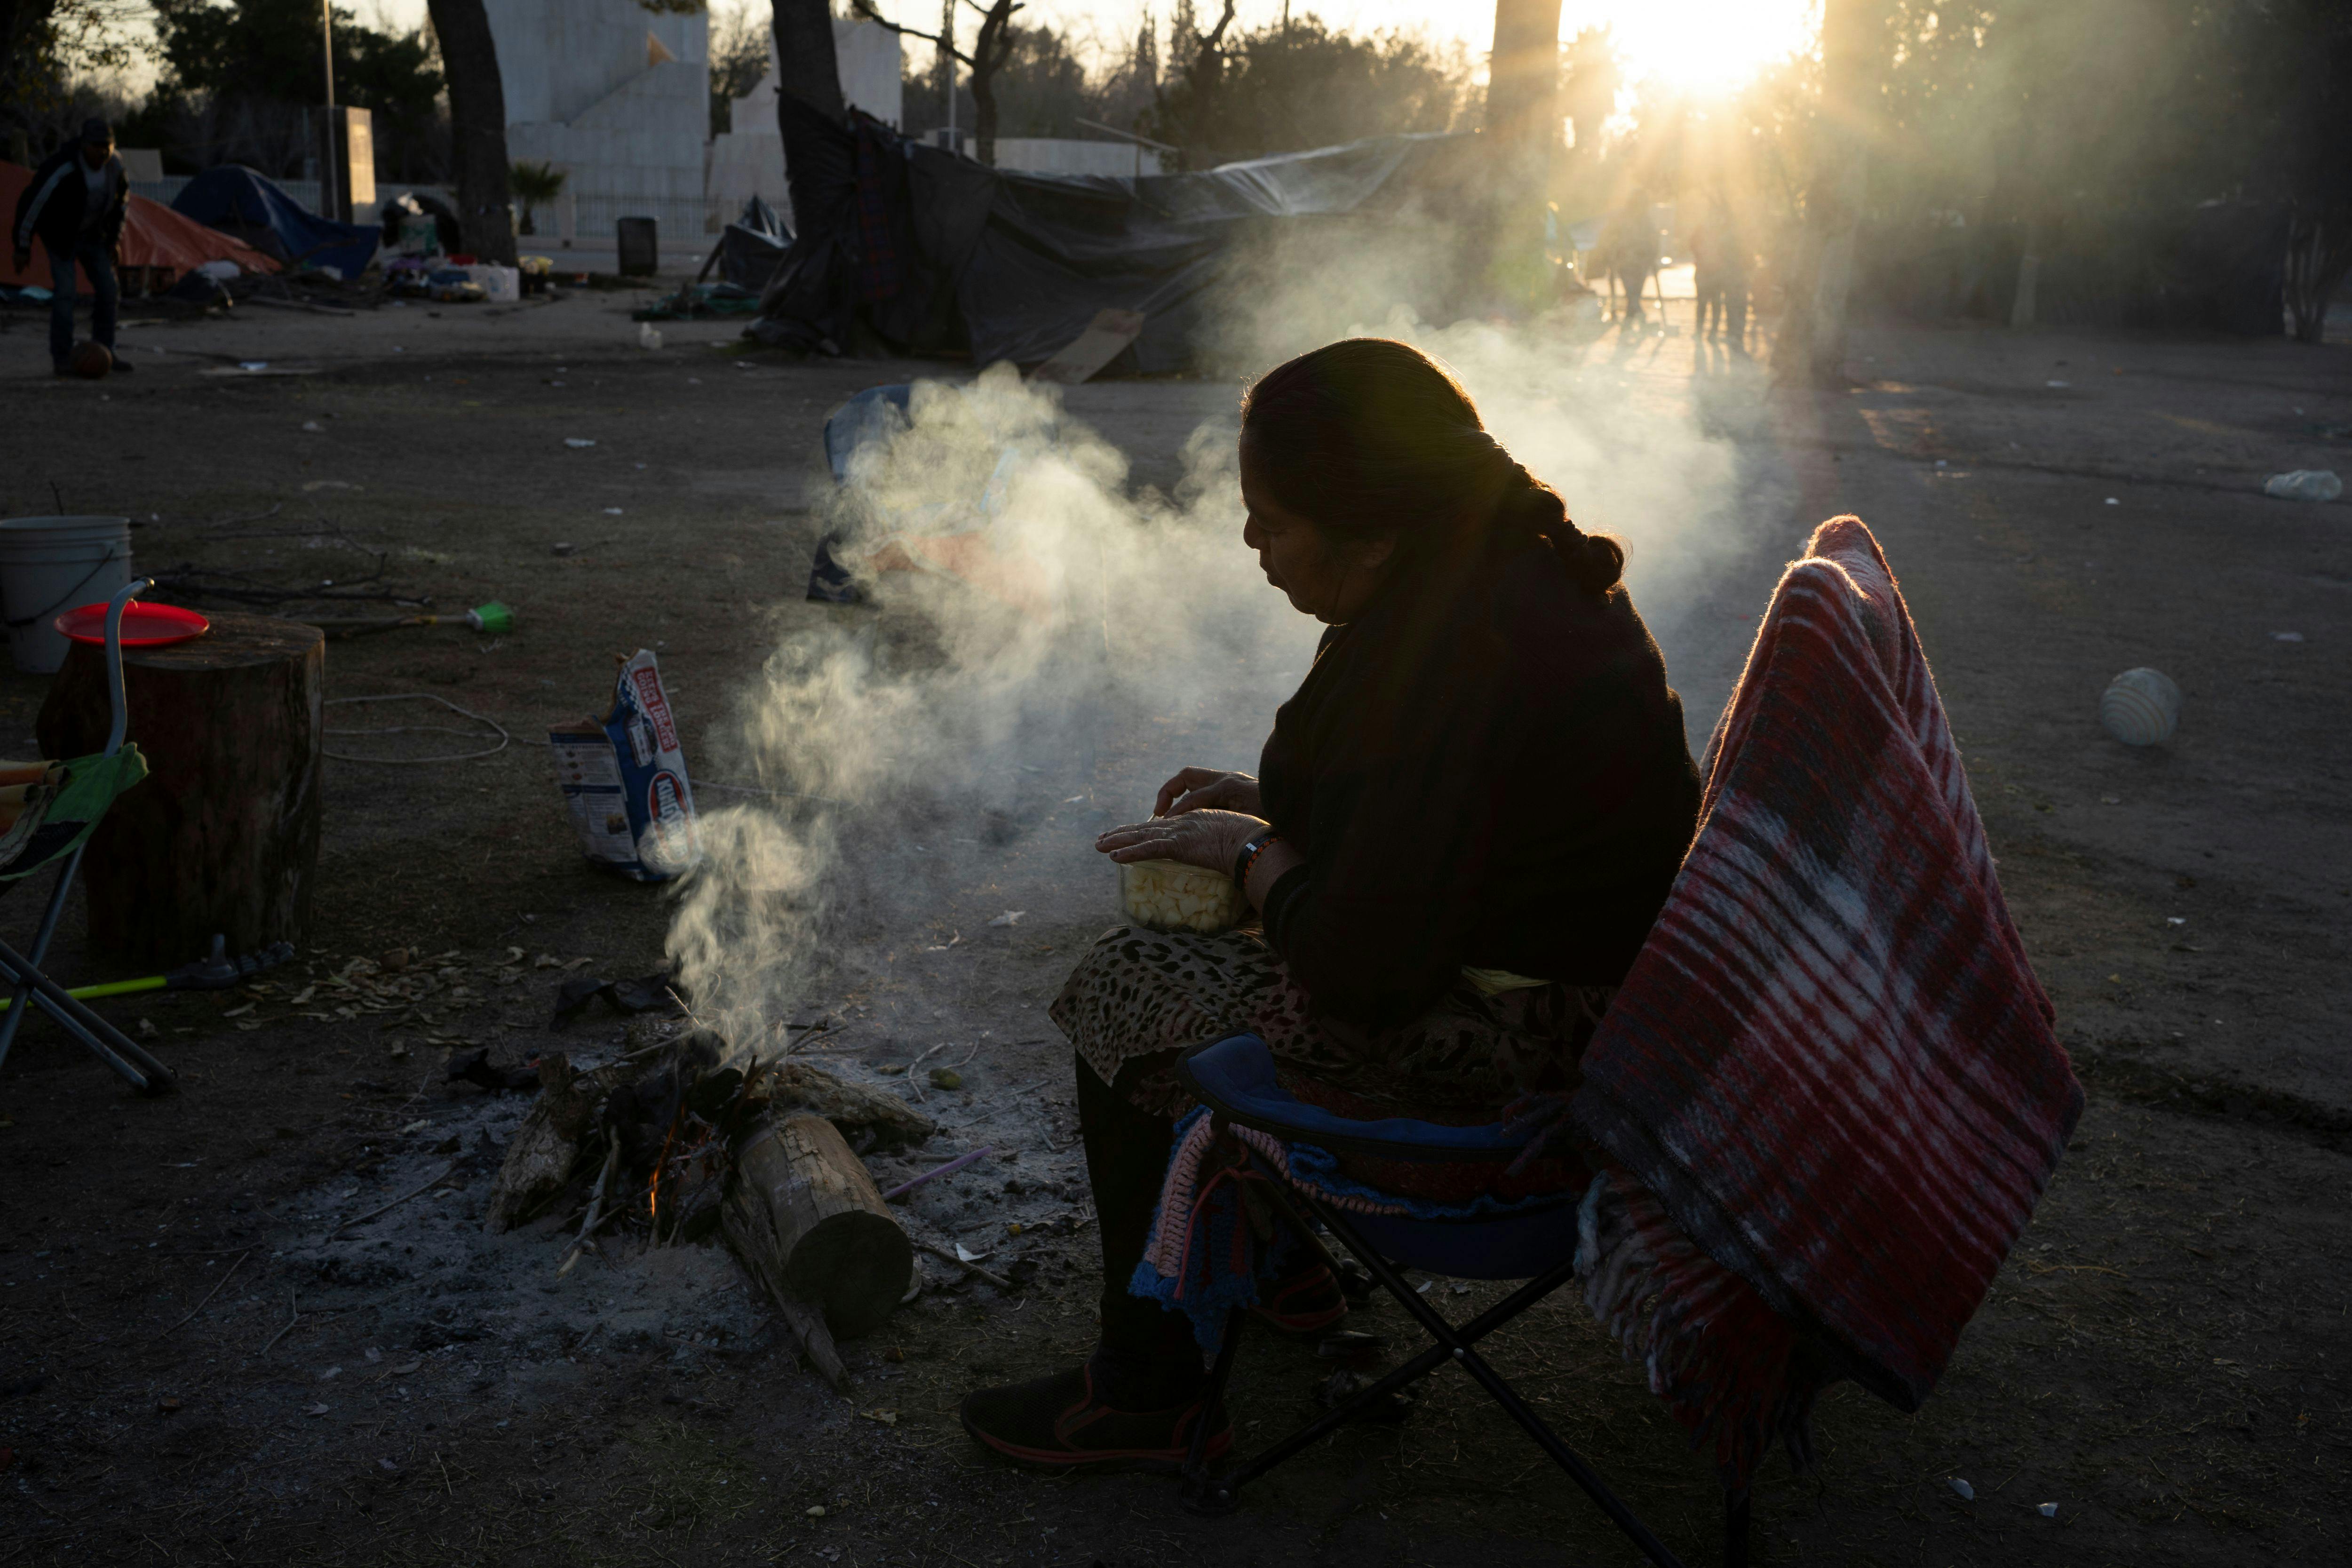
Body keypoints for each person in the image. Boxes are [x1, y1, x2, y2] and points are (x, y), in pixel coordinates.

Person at [958, 339, 1703, 1469]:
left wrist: (1256, 855)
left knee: (1124, 983)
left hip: (1530, 1073)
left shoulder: (1461, 648)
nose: (1253, 546)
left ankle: (1152, 1388)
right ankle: (1279, 1272)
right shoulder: (1498, 577)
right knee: (1196, 955)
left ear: (1374, 530)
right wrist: (1266, 809)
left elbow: (1367, 961)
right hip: (1588, 997)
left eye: (1273, 523)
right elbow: (1454, 831)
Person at [10, 119, 132, 378]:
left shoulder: (115, 168)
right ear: (84, 145)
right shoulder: (64, 167)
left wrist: (112, 242)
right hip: (61, 236)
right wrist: (23, 245)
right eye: (96, 146)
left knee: (109, 290)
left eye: (107, 147)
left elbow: (121, 208)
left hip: (93, 236)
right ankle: (62, 357)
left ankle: (106, 349)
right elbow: (33, 203)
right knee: (66, 294)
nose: (102, 153)